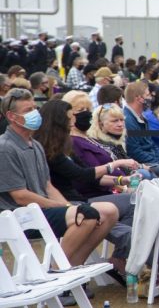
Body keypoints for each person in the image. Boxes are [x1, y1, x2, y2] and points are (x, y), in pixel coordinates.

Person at [0, 88, 118, 267]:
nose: (34, 113)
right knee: (85, 215)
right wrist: (62, 207)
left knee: (109, 211)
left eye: (34, 108)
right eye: (27, 110)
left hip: (39, 209)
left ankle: (73, 267)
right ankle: (56, 269)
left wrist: (67, 206)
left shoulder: (35, 145)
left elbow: (48, 186)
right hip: (19, 214)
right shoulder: (5, 148)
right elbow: (20, 196)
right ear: (12, 116)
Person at [123, 81, 159, 175]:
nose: (151, 97)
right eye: (148, 95)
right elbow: (135, 152)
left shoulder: (142, 117)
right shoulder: (128, 121)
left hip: (153, 160)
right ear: (139, 98)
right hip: (141, 164)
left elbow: (151, 144)